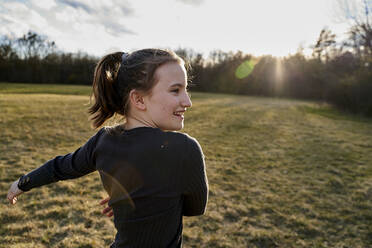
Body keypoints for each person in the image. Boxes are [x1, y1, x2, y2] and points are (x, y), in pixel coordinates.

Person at [7, 49, 208, 248]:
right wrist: (147, 200)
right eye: (175, 90)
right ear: (138, 99)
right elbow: (196, 208)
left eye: (186, 89)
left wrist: (22, 183)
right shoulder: (185, 149)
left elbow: (60, 167)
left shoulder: (104, 141)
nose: (188, 101)